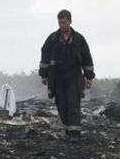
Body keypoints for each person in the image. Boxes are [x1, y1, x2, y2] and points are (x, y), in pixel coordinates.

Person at [39, 9, 95, 138]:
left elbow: (87, 58)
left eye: (64, 22)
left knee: (74, 104)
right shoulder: (52, 39)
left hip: (74, 77)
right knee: (61, 104)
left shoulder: (79, 39)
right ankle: (67, 128)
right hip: (57, 77)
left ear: (70, 21)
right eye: (59, 23)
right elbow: (45, 57)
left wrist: (89, 77)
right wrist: (44, 75)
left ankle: (74, 134)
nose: (61, 25)